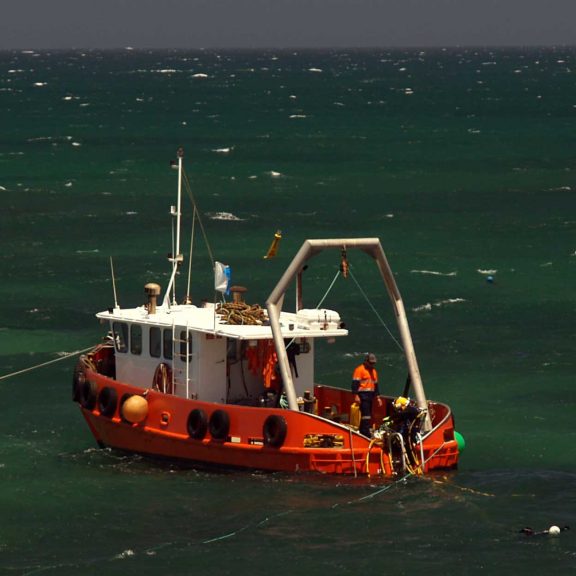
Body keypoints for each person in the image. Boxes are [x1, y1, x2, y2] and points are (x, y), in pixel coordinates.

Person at [352, 353, 383, 437]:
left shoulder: (373, 371)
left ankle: (363, 431)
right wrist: (356, 395)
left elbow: (376, 386)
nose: (372, 364)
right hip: (363, 395)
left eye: (373, 363)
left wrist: (378, 398)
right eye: (371, 363)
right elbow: (355, 384)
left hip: (370, 396)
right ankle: (366, 433)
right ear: (366, 361)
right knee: (366, 415)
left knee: (367, 415)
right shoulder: (359, 370)